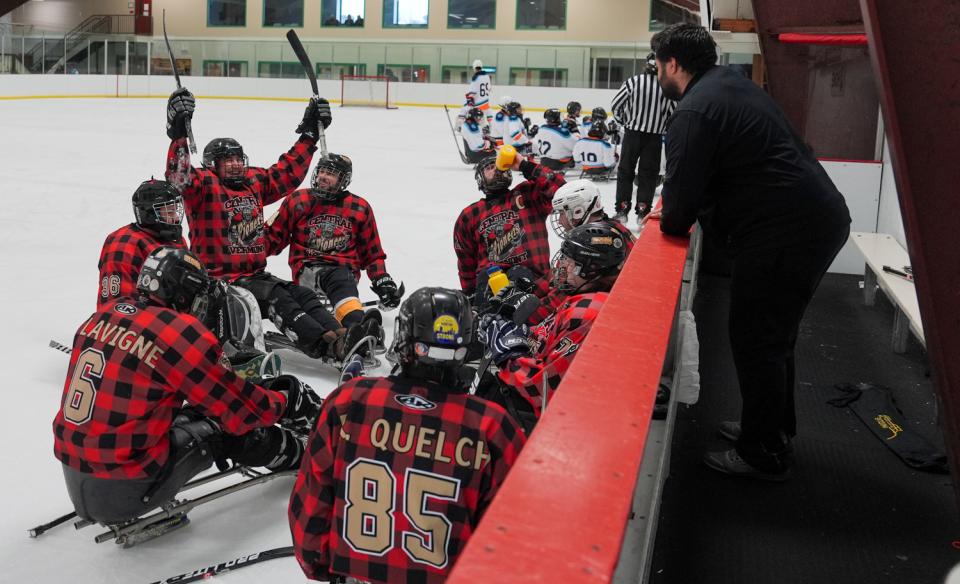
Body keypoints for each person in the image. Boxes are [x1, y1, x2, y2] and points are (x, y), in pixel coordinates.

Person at [647, 23, 851, 480]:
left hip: (788, 231)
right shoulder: (728, 84)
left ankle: (763, 452)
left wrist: (670, 215)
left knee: (758, 335)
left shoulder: (694, 111)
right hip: (809, 221)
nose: (656, 71)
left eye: (656, 64)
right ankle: (772, 429)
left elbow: (678, 211)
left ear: (672, 64)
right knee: (772, 335)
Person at [54, 247, 322, 525]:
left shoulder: (103, 315)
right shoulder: (177, 332)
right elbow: (240, 411)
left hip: (76, 470)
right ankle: (304, 455)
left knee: (195, 412)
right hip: (127, 483)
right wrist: (284, 401)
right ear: (184, 293)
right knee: (228, 430)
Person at [288, 287, 526, 584]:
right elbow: (507, 541)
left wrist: (322, 566)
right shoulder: (493, 427)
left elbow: (311, 509)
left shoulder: (347, 402)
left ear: (403, 338)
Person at [164, 88, 359, 361]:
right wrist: (178, 134)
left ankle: (342, 335)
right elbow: (178, 176)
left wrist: (310, 136)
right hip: (221, 281)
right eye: (227, 160)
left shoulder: (252, 182)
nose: (234, 165)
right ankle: (327, 346)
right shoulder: (204, 185)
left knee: (302, 295)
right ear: (211, 164)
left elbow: (286, 172)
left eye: (237, 159)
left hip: (255, 274)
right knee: (280, 299)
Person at [480, 222, 629, 430]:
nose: (560, 267)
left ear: (590, 270)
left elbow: (542, 389)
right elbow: (548, 339)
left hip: (545, 422)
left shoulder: (587, 314)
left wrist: (508, 354)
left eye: (568, 262)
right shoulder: (584, 299)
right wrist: (516, 332)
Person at [265, 152, 402, 335]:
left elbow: (372, 253)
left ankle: (355, 329)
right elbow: (273, 239)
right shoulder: (298, 200)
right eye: (321, 171)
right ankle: (358, 326)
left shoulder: (359, 208)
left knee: (341, 278)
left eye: (330, 173)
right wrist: (245, 253)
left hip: (344, 272)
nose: (323, 176)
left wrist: (382, 280)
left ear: (342, 180)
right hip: (307, 267)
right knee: (338, 278)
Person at [454, 150, 565, 306]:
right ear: (480, 178)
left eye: (500, 166)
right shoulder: (470, 214)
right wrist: (471, 294)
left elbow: (561, 189)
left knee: (520, 274)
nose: (497, 170)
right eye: (490, 168)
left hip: (534, 283)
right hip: (489, 282)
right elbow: (465, 262)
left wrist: (524, 165)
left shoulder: (527, 193)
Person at [97, 179, 185, 308]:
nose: (176, 218)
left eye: (176, 210)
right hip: (136, 324)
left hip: (169, 319)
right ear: (149, 214)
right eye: (169, 212)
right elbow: (118, 309)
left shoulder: (175, 239)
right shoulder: (124, 243)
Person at [611, 51, 676, 224]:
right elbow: (673, 113)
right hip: (654, 137)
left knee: (625, 171)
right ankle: (642, 211)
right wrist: (661, 125)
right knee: (648, 174)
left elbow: (616, 105)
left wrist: (625, 121)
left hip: (632, 134)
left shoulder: (633, 82)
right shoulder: (667, 86)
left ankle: (622, 210)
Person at [465, 59, 492, 124]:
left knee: (465, 111)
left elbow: (471, 94)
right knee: (487, 120)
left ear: (474, 67)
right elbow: (489, 88)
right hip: (486, 104)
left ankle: (460, 127)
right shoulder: (487, 76)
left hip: (478, 105)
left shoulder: (475, 78)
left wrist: (469, 99)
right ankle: (490, 130)